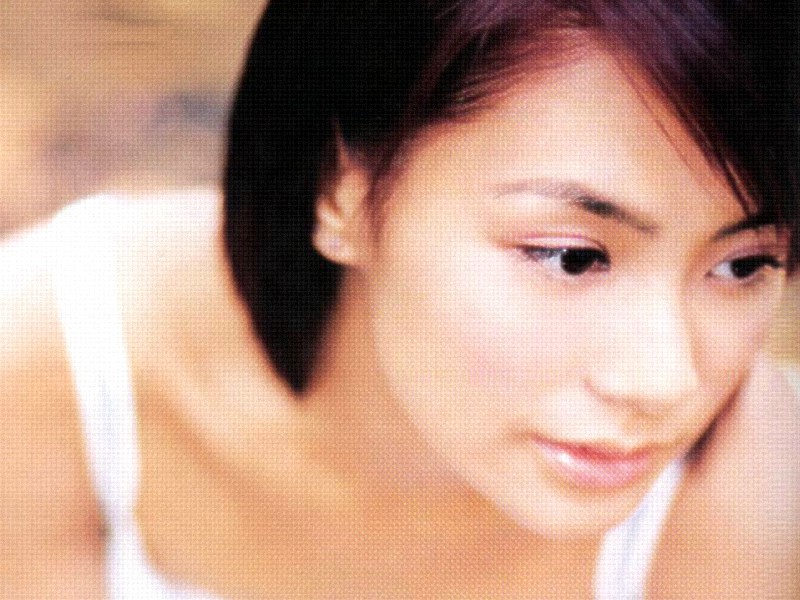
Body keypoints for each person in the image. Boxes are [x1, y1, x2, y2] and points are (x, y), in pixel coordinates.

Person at [2, 0, 799, 598]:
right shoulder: (55, 368)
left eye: (743, 265)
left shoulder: (748, 495)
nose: (664, 381)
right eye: (572, 257)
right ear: (341, 187)